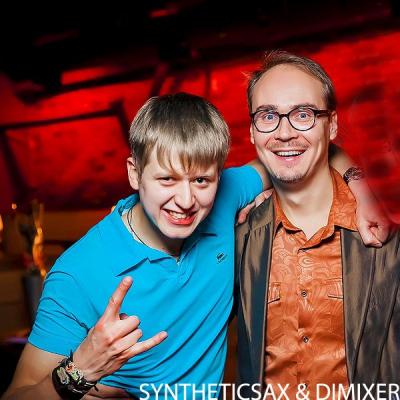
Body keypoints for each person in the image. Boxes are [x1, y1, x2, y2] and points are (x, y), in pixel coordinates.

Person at [2, 92, 388, 400]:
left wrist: (363, 194)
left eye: (201, 181)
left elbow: (309, 150)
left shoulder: (227, 194)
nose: (186, 201)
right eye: (167, 180)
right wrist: (80, 371)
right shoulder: (79, 273)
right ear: (135, 173)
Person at [235, 51, 399, 399]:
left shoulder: (385, 229)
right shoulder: (238, 237)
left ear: (332, 125)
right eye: (268, 116)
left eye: (303, 114)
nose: (284, 133)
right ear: (252, 131)